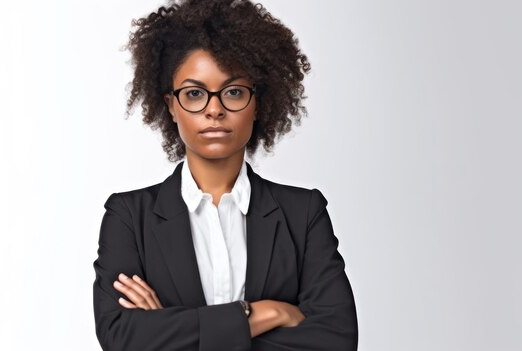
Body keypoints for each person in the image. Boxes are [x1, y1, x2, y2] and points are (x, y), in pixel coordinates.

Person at [92, 0, 358, 350]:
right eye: (194, 94)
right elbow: (122, 338)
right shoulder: (129, 216)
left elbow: (336, 340)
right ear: (171, 105)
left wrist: (170, 330)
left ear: (258, 102)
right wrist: (266, 313)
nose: (214, 109)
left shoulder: (303, 213)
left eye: (233, 92)